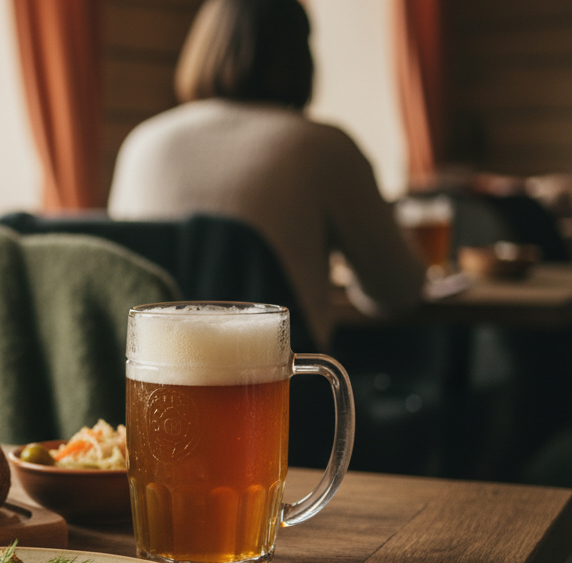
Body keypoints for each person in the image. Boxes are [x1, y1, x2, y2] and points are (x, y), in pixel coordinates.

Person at [107, 0, 426, 350]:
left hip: (156, 375)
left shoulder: (143, 143)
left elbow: (119, 280)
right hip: (278, 379)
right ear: (300, 55)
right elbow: (398, 290)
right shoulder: (323, 146)